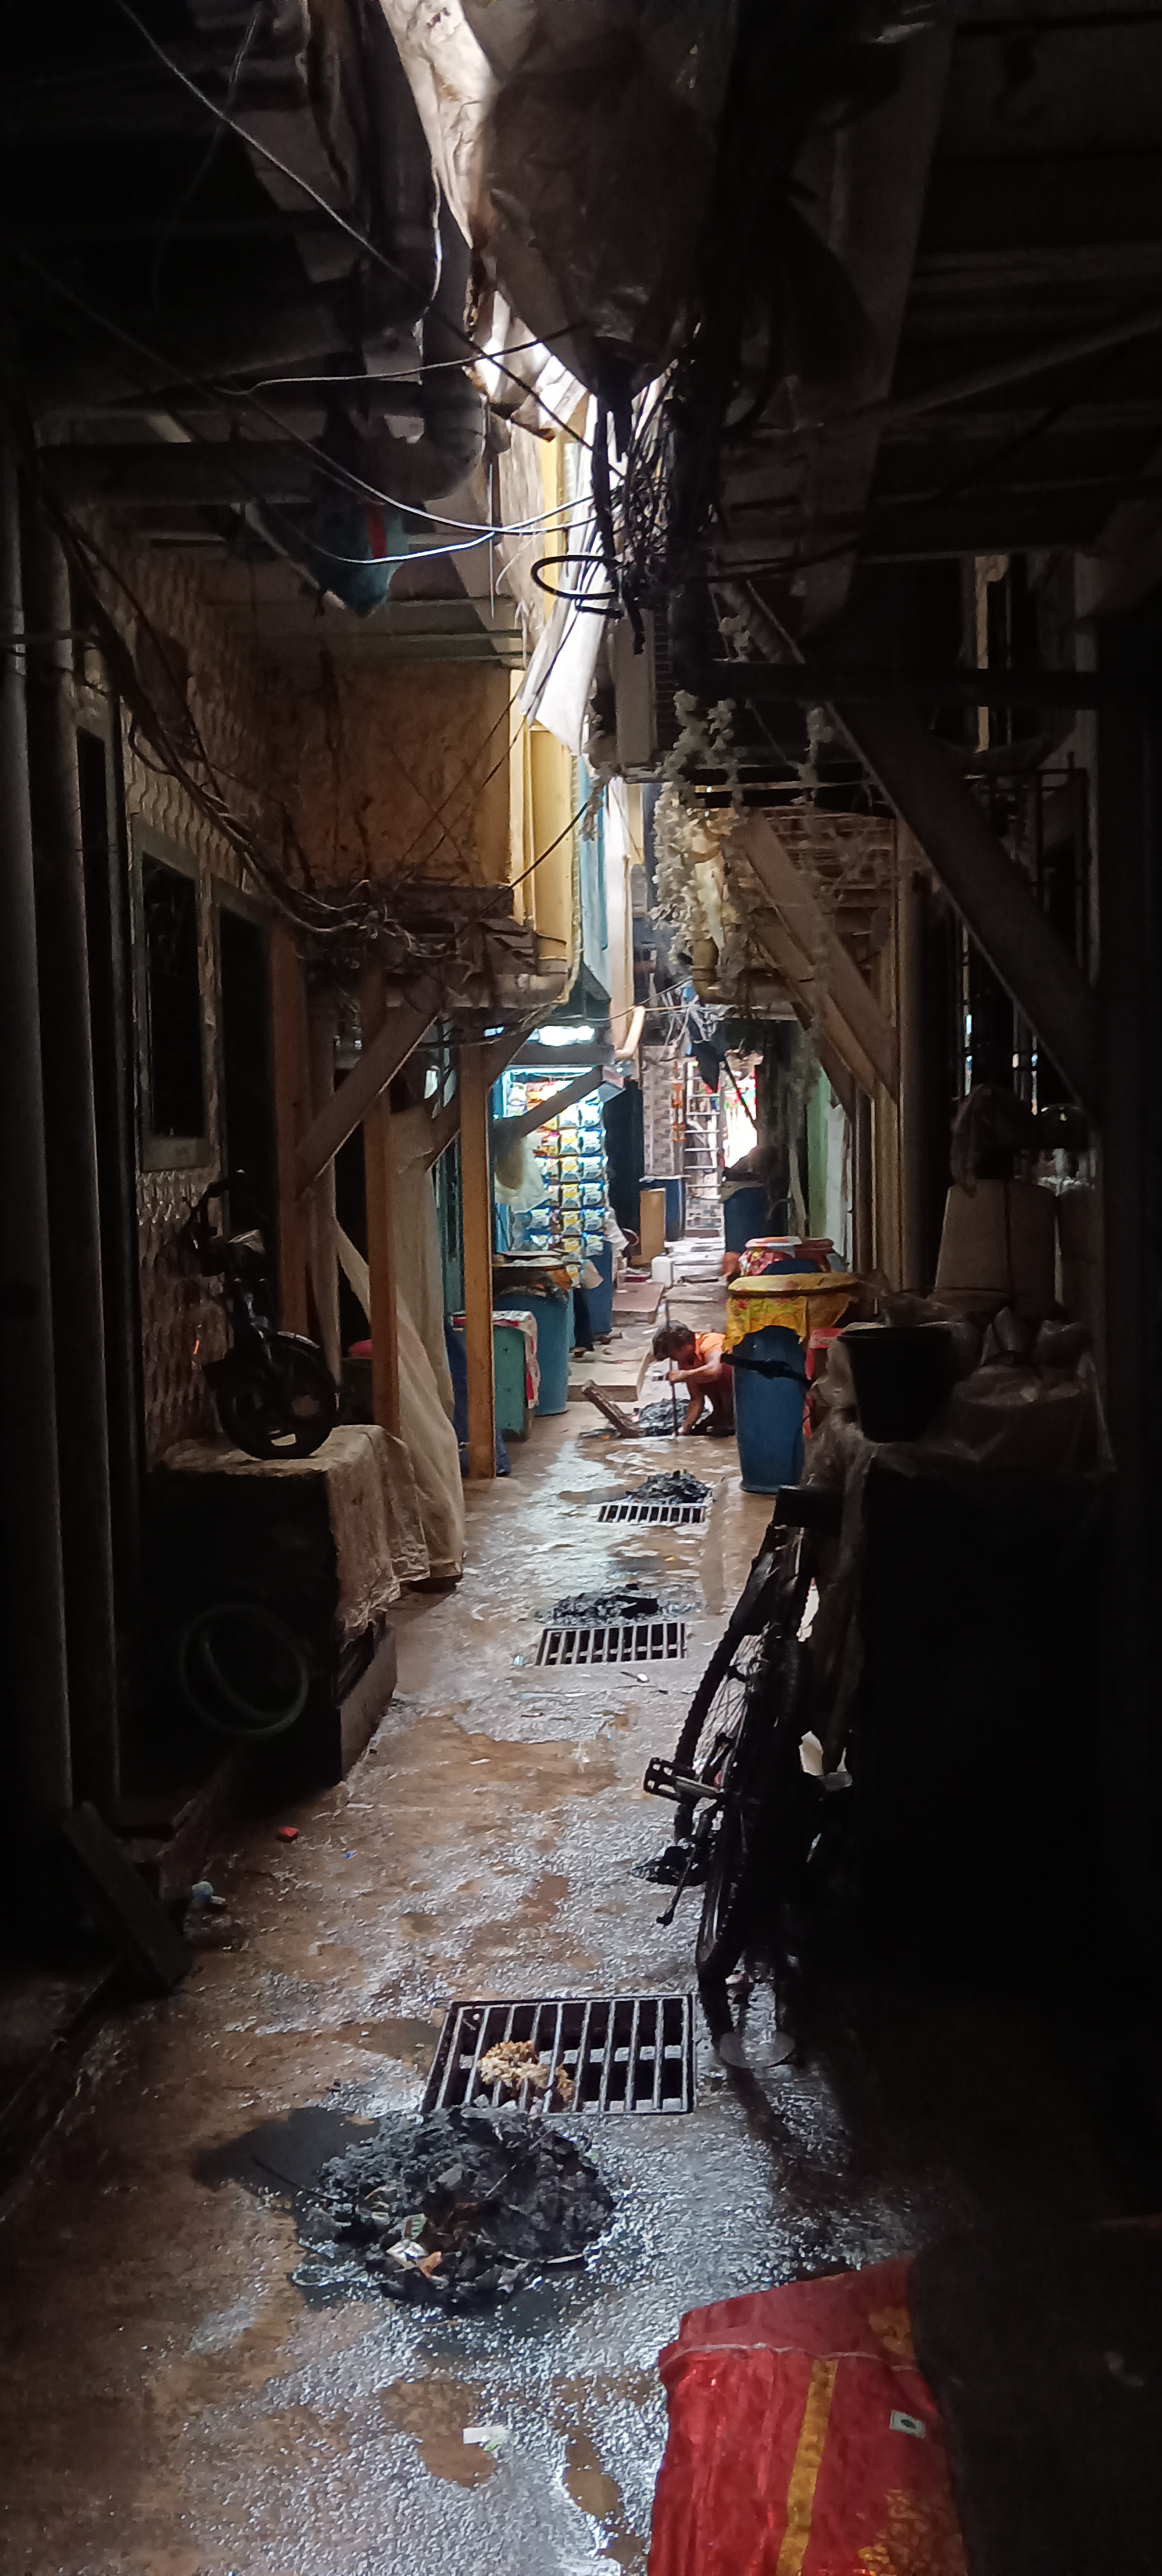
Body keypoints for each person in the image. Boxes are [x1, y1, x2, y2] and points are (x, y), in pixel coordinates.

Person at [652, 1323, 736, 1436]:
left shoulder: (710, 1342)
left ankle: (732, 1416)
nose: (673, 1359)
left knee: (724, 1368)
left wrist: (684, 1375)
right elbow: (696, 1399)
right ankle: (723, 1415)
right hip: (721, 1407)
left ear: (684, 1346)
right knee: (698, 1430)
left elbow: (715, 1370)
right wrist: (684, 1429)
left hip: (743, 1392)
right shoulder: (685, 1362)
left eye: (673, 1355)